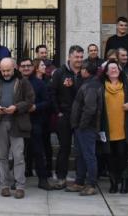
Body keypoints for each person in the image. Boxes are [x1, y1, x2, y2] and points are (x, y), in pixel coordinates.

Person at [0, 57, 35, 199]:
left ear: (14, 68)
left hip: (17, 123)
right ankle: (5, 185)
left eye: (8, 70)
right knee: (2, 156)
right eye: (3, 70)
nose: (5, 73)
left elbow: (30, 100)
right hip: (0, 122)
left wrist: (17, 107)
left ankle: (20, 186)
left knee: (18, 156)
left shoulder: (23, 82)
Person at [49, 45, 84, 189]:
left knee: (80, 148)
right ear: (69, 57)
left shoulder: (84, 72)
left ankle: (79, 178)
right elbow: (52, 93)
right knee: (64, 147)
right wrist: (58, 112)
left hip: (82, 117)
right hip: (65, 116)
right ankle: (61, 177)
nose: (79, 60)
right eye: (76, 57)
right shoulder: (59, 73)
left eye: (81, 57)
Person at [101, 60, 128, 194]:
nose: (114, 70)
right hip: (107, 128)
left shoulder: (126, 84)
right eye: (111, 68)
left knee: (122, 156)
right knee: (110, 157)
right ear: (106, 72)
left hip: (123, 128)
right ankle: (113, 183)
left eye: (115, 68)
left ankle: (124, 182)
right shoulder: (101, 85)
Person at [68, 59, 101, 196]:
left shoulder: (91, 86)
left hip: (87, 128)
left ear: (86, 71)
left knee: (89, 155)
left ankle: (92, 184)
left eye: (82, 69)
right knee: (80, 155)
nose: (80, 71)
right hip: (81, 127)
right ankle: (79, 182)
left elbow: (90, 108)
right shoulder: (87, 83)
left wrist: (81, 125)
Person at [19, 57, 51, 190]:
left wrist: (36, 107)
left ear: (33, 68)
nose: (26, 68)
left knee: (38, 151)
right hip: (18, 122)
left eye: (28, 66)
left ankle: (42, 180)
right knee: (18, 153)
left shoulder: (39, 83)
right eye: (23, 66)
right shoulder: (15, 82)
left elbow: (47, 102)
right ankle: (18, 180)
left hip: (35, 122)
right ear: (19, 68)